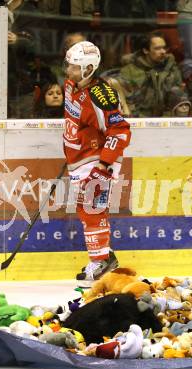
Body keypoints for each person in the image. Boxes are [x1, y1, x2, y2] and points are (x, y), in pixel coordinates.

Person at [63, 41, 131, 286]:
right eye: (68, 66)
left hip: (98, 161)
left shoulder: (101, 95)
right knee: (85, 208)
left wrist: (104, 165)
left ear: (88, 69)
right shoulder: (71, 85)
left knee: (92, 208)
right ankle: (103, 257)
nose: (67, 71)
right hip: (80, 159)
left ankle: (101, 260)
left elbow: (120, 130)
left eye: (73, 67)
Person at [116, 31, 184, 117]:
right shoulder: (129, 71)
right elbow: (126, 102)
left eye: (164, 48)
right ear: (145, 50)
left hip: (168, 121)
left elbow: (179, 98)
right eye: (157, 48)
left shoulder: (171, 69)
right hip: (139, 120)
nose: (163, 51)